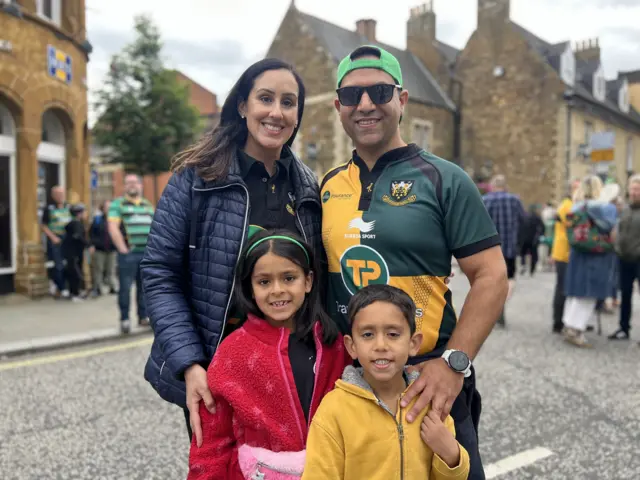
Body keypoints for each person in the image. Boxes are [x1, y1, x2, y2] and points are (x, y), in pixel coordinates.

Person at [321, 45, 507, 479]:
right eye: (351, 96)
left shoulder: (445, 178)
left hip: (428, 381)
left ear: (401, 100)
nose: (365, 104)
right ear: (338, 107)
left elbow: (492, 276)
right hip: (353, 382)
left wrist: (454, 364)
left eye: (379, 91)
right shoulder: (328, 185)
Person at [140, 58, 323, 449]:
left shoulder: (307, 185)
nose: (276, 112)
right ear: (242, 106)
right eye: (265, 98)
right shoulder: (196, 178)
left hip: (294, 372)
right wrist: (190, 364)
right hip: (216, 373)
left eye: (289, 102)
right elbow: (160, 274)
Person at [187, 231, 348, 480]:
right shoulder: (232, 352)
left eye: (289, 278)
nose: (277, 290)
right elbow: (213, 440)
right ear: (250, 287)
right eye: (264, 282)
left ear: (308, 281)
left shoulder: (333, 344)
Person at [303, 284, 470, 479]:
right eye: (367, 335)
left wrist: (452, 456)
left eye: (393, 334)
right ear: (351, 346)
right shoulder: (334, 410)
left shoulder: (429, 402)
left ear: (413, 344)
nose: (380, 345)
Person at [562, 175, 619, 348]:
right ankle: (576, 330)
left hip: (578, 252)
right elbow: (611, 228)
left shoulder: (576, 206)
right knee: (589, 294)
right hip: (597, 253)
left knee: (576, 292)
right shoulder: (604, 208)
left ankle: (569, 325)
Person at [108, 174, 154, 333]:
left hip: (146, 255)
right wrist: (122, 248)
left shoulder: (147, 205)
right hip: (128, 254)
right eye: (128, 183)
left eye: (135, 183)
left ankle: (143, 317)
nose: (132, 185)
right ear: (124, 187)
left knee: (144, 288)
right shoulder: (118, 205)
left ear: (140, 186)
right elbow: (113, 227)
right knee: (125, 288)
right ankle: (125, 319)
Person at [482, 175, 526, 326]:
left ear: (492, 186)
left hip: (489, 250)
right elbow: (524, 221)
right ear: (505, 186)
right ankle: (501, 304)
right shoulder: (515, 200)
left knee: (490, 280)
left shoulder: (485, 200)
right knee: (510, 279)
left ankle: (493, 309)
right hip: (509, 248)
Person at [609, 175, 640, 341]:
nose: (634, 192)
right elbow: (619, 229)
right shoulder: (626, 210)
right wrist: (617, 246)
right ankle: (623, 328)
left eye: (637, 189)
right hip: (624, 257)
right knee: (625, 294)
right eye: (632, 189)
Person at [551, 178, 581, 334]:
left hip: (567, 252)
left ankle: (567, 320)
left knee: (566, 288)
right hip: (564, 253)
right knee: (562, 288)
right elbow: (573, 224)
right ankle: (558, 322)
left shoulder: (571, 205)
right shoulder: (567, 206)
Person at [41, 185, 72, 298]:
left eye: (62, 194)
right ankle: (62, 288)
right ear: (53, 195)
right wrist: (53, 237)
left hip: (67, 239)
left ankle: (64, 285)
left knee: (69, 263)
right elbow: (43, 226)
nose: (60, 196)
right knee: (58, 264)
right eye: (58, 194)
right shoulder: (49, 208)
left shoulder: (68, 206)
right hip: (55, 238)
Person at [62, 203, 91, 302]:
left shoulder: (74, 223)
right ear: (79, 213)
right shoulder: (76, 224)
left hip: (73, 252)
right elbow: (78, 237)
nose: (86, 214)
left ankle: (73, 292)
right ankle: (75, 293)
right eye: (84, 212)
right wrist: (88, 244)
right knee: (76, 273)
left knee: (74, 272)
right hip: (73, 252)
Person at [89, 200, 117, 296]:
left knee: (111, 269)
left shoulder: (115, 220)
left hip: (112, 248)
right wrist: (92, 245)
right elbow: (91, 233)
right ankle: (97, 288)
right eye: (106, 207)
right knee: (98, 269)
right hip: (99, 248)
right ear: (103, 209)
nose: (108, 209)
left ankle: (112, 287)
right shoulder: (97, 220)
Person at [518, 204, 545, 276]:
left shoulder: (525, 217)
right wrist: (540, 235)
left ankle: (523, 264)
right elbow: (542, 227)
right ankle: (532, 269)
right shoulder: (537, 218)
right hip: (534, 239)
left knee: (523, 253)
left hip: (525, 239)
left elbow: (520, 227)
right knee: (534, 254)